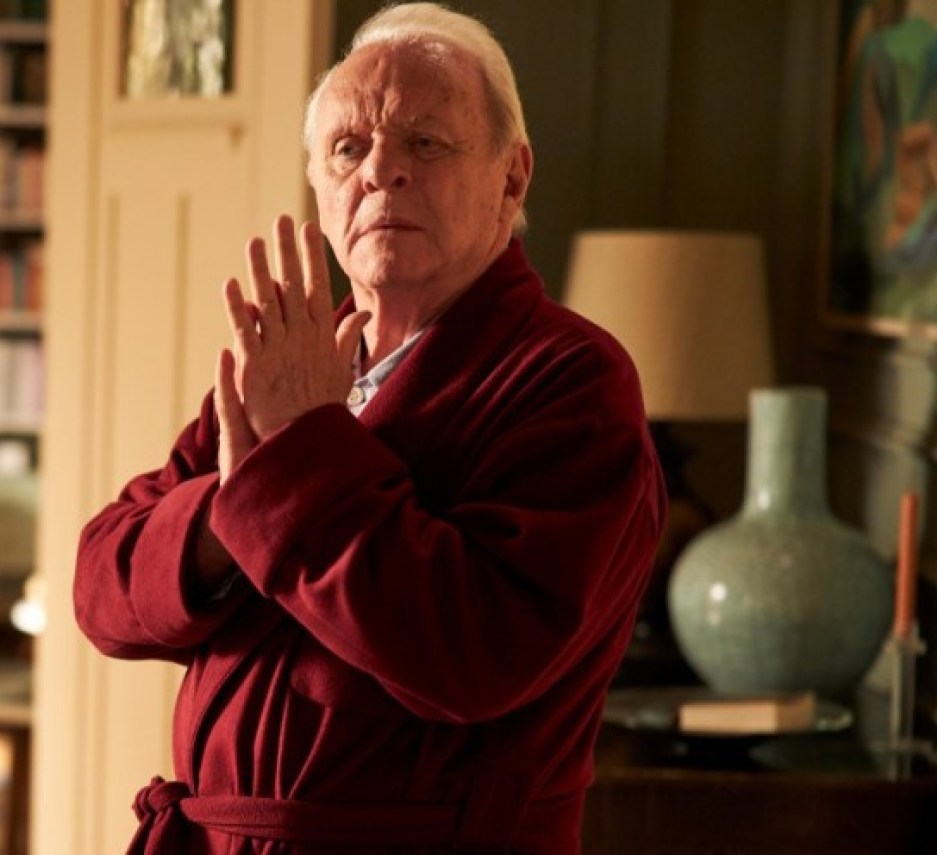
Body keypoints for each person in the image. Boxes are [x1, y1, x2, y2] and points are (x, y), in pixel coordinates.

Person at [74, 3, 665, 853]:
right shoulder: (292, 360)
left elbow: (471, 653)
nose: (383, 171)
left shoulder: (572, 379)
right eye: (349, 148)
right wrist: (230, 511)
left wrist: (291, 461)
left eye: (425, 142)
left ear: (511, 178)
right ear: (319, 186)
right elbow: (103, 592)